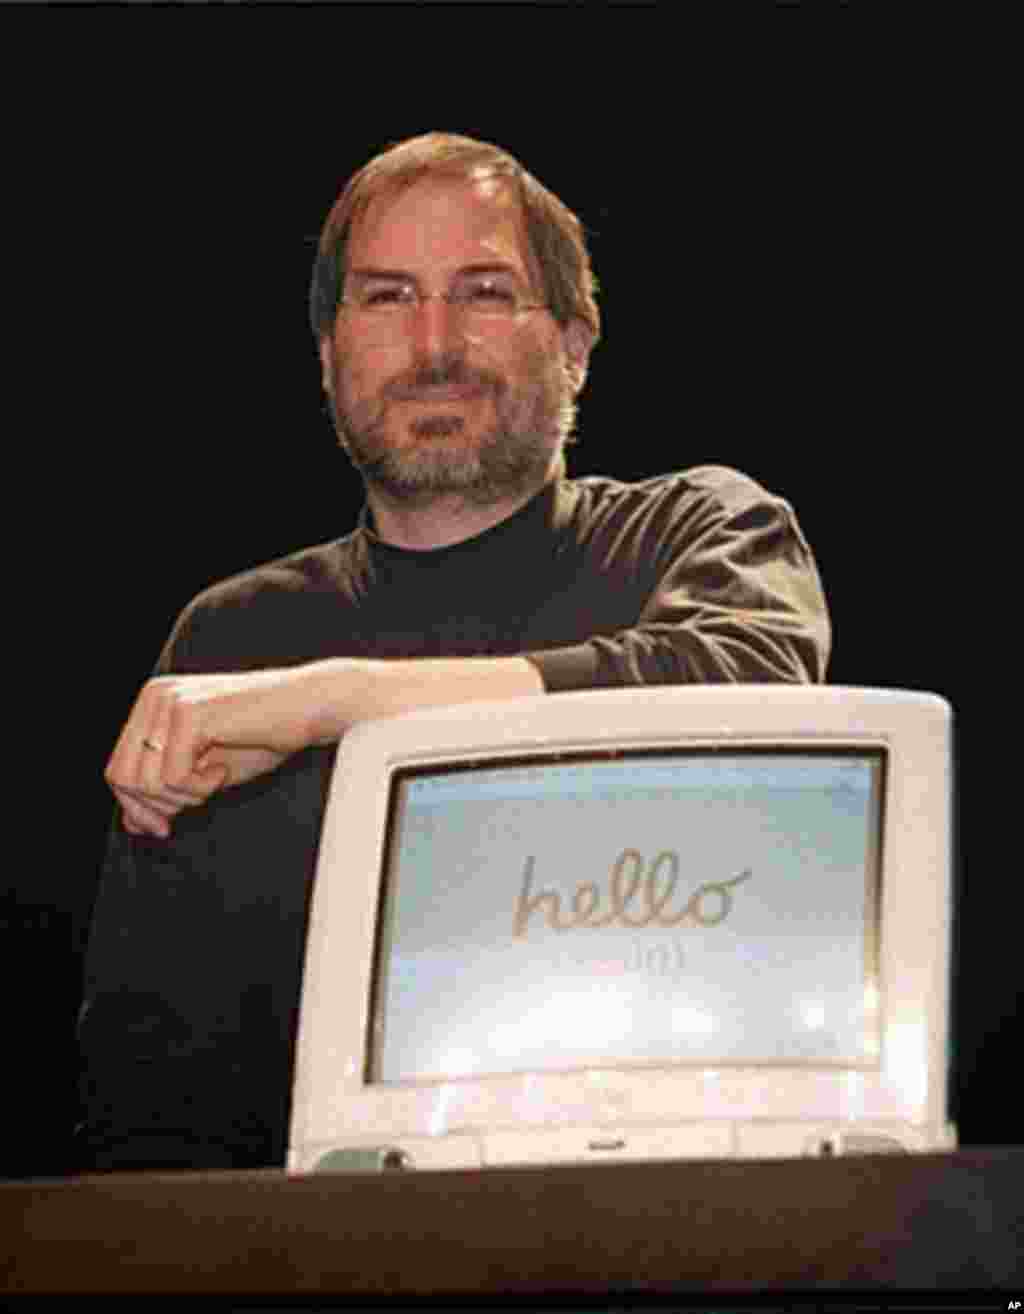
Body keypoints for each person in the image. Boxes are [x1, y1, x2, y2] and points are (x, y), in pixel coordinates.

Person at [75, 131, 831, 1173]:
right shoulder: (233, 639)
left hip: (676, 1238)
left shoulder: (697, 534)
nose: (433, 344)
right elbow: (147, 1091)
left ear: (573, 344)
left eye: (483, 292)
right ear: (330, 355)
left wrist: (341, 704)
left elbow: (740, 687)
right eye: (386, 298)